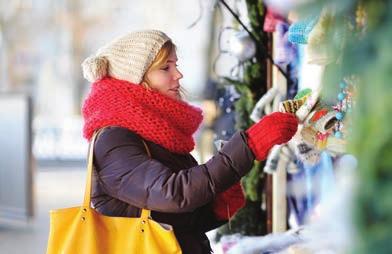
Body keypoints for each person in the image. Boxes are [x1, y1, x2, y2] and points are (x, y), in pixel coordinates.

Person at [81, 30, 298, 254]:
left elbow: (177, 223)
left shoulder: (156, 135)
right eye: (166, 68)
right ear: (135, 78)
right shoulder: (113, 140)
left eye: (176, 65)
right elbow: (173, 193)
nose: (178, 74)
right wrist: (250, 145)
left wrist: (216, 209)